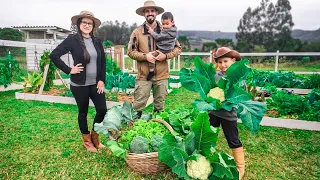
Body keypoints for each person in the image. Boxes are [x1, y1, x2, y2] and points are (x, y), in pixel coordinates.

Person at [49, 10, 106, 153]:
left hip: (95, 84)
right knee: (83, 112)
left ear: (93, 26)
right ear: (79, 23)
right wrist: (69, 70)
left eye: (90, 23)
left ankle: (95, 137)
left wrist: (101, 80)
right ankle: (87, 142)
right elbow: (54, 55)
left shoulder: (97, 41)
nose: (87, 25)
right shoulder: (72, 40)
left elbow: (103, 62)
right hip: (79, 85)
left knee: (102, 110)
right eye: (84, 22)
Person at [128, 1, 181, 117]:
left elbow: (178, 48)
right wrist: (145, 56)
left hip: (162, 76)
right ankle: (134, 130)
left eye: (152, 10)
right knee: (137, 108)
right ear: (143, 14)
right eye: (147, 11)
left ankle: (156, 131)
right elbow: (130, 52)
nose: (150, 13)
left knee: (159, 108)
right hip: (144, 76)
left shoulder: (167, 29)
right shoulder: (137, 32)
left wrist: (166, 56)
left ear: (156, 13)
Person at [209, 47, 245, 179]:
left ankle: (240, 168)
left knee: (233, 140)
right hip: (213, 112)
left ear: (233, 60)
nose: (222, 65)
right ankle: (206, 158)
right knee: (209, 136)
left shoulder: (238, 77)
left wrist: (229, 100)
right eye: (219, 62)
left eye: (226, 61)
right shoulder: (215, 77)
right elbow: (210, 91)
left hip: (228, 115)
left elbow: (242, 95)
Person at [147, 11, 177, 80]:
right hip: (170, 48)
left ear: (172, 22)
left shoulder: (166, 31)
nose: (165, 26)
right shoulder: (174, 30)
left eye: (167, 24)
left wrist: (152, 32)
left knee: (151, 57)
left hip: (163, 49)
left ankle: (151, 71)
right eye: (163, 24)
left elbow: (158, 37)